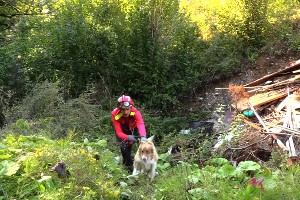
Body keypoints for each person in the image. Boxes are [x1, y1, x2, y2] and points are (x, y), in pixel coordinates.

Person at [111, 95, 147, 171]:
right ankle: (128, 166)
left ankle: (142, 165)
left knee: (135, 145)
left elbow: (140, 124)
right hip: (122, 130)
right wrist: (128, 137)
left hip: (133, 128)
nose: (125, 112)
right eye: (123, 110)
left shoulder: (135, 112)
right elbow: (118, 132)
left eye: (127, 109)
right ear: (119, 109)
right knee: (123, 147)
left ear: (131, 107)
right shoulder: (115, 114)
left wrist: (143, 136)